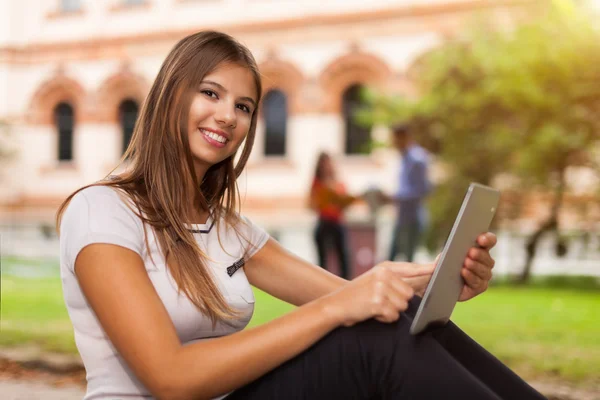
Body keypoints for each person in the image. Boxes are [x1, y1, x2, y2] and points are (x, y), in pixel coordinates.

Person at [56, 31, 546, 400]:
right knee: (369, 344)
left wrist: (438, 278)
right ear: (169, 96)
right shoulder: (101, 211)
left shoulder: (230, 230)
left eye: (244, 106)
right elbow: (171, 377)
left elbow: (350, 296)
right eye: (210, 93)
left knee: (402, 317)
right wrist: (337, 310)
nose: (228, 116)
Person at [384, 123, 432, 262]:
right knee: (390, 261)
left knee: (407, 262)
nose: (393, 142)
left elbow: (423, 190)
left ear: (404, 137)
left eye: (395, 138)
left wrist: (394, 198)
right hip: (401, 217)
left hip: (412, 218)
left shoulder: (417, 158)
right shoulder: (404, 158)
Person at [309, 152, 357, 279]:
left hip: (337, 223)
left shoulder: (338, 183)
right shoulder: (317, 183)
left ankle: (346, 284)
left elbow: (345, 203)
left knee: (344, 258)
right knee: (322, 260)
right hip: (324, 222)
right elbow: (311, 204)